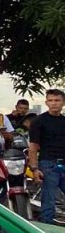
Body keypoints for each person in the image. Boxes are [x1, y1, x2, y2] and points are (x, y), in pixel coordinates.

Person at [28, 88, 65, 225]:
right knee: (49, 201)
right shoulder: (38, 121)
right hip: (48, 164)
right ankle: (47, 229)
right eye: (51, 100)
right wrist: (34, 168)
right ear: (46, 102)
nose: (54, 103)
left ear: (63, 102)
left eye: (57, 100)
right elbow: (33, 146)